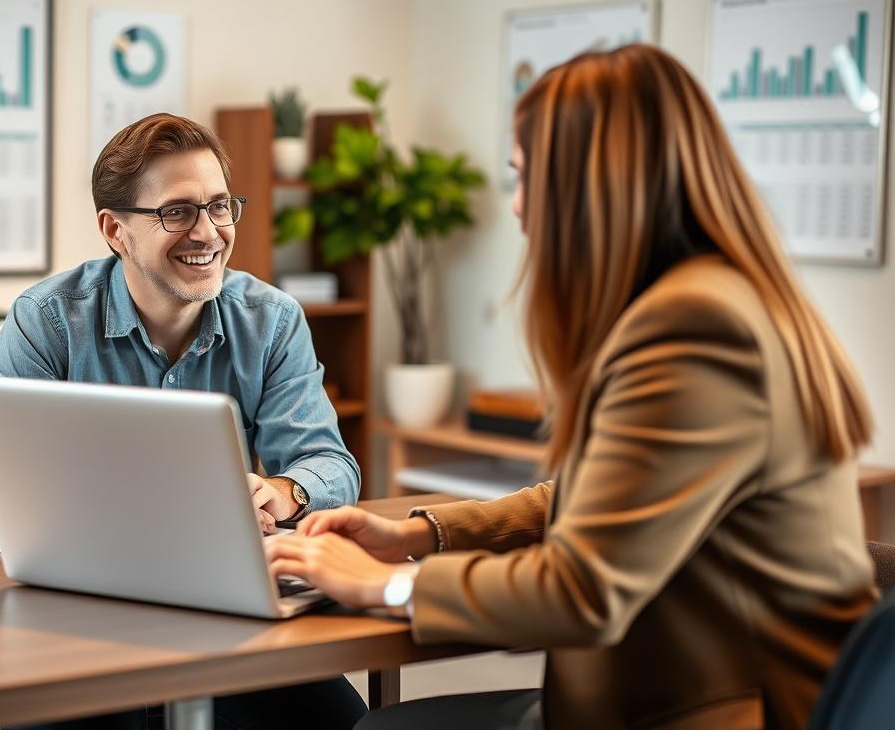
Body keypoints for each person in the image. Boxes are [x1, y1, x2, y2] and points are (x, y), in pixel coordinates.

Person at [265, 44, 879, 730]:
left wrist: (383, 582)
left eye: (526, 178)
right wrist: (418, 535)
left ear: (594, 187)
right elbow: (596, 499)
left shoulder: (695, 326)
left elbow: (584, 588)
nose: (519, 208)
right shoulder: (710, 300)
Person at [0, 113, 367, 729]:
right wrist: (163, 500)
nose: (207, 232)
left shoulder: (273, 319)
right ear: (115, 230)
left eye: (220, 206)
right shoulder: (45, 320)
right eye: (177, 211)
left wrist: (282, 490)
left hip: (225, 613)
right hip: (79, 621)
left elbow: (332, 465)